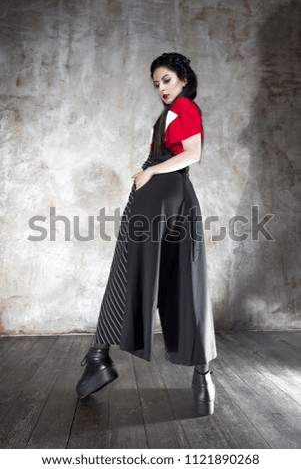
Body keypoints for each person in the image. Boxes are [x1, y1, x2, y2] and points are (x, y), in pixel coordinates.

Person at [76, 52, 217, 416]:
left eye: (166, 80)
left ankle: (98, 357)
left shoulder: (183, 107)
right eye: (156, 83)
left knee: (128, 270)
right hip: (179, 200)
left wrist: (150, 174)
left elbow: (193, 153)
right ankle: (203, 378)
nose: (161, 88)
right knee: (186, 280)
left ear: (183, 79)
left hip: (159, 198)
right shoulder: (175, 111)